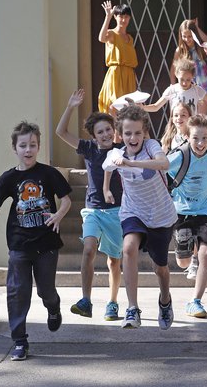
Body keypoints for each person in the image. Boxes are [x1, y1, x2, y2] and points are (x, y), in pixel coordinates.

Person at [0, 122, 72, 361]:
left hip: (47, 244)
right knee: (18, 292)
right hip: (19, 244)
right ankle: (20, 341)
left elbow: (66, 200)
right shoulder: (9, 178)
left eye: (33, 145)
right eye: (23, 145)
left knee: (45, 290)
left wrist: (58, 214)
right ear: (14, 148)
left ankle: (53, 307)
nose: (28, 150)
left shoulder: (48, 173)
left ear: (38, 147)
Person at [102, 104, 178, 330]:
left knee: (160, 268)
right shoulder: (117, 153)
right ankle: (132, 308)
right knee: (128, 248)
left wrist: (132, 164)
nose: (132, 137)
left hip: (160, 214)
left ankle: (165, 299)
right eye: (127, 133)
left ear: (144, 132)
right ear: (120, 134)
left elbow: (163, 163)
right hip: (133, 211)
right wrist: (107, 188)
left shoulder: (151, 147)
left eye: (137, 132)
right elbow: (108, 165)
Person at [55, 89, 124, 321]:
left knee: (114, 261)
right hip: (93, 209)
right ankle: (86, 299)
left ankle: (112, 302)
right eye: (100, 131)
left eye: (108, 130)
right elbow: (60, 131)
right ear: (94, 136)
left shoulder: (122, 151)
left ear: (114, 131)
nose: (105, 134)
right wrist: (70, 106)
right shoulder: (89, 148)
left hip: (117, 211)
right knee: (88, 248)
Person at [167, 115, 207, 318]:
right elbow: (159, 167)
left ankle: (195, 301)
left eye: (205, 138)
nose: (200, 143)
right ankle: (188, 251)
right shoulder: (179, 156)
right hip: (182, 212)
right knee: (183, 262)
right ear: (187, 137)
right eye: (196, 138)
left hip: (206, 212)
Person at [97, 0, 138, 115]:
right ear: (116, 17)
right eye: (120, 16)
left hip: (129, 74)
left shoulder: (130, 38)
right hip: (115, 73)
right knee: (113, 103)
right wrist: (108, 17)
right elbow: (101, 38)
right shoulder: (111, 34)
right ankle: (113, 132)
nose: (123, 20)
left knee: (128, 105)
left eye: (126, 17)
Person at [142, 59, 207, 116]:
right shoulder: (172, 90)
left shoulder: (196, 90)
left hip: (191, 127)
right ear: (176, 74)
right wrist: (142, 107)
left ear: (193, 77)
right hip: (176, 127)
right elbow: (156, 107)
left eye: (188, 80)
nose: (184, 83)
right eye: (182, 79)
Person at [171, 19, 207, 116]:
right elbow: (173, 71)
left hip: (204, 86)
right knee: (187, 117)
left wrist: (197, 29)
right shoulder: (180, 51)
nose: (187, 39)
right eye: (184, 36)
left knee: (200, 118)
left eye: (190, 36)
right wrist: (174, 89)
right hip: (187, 86)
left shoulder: (201, 47)